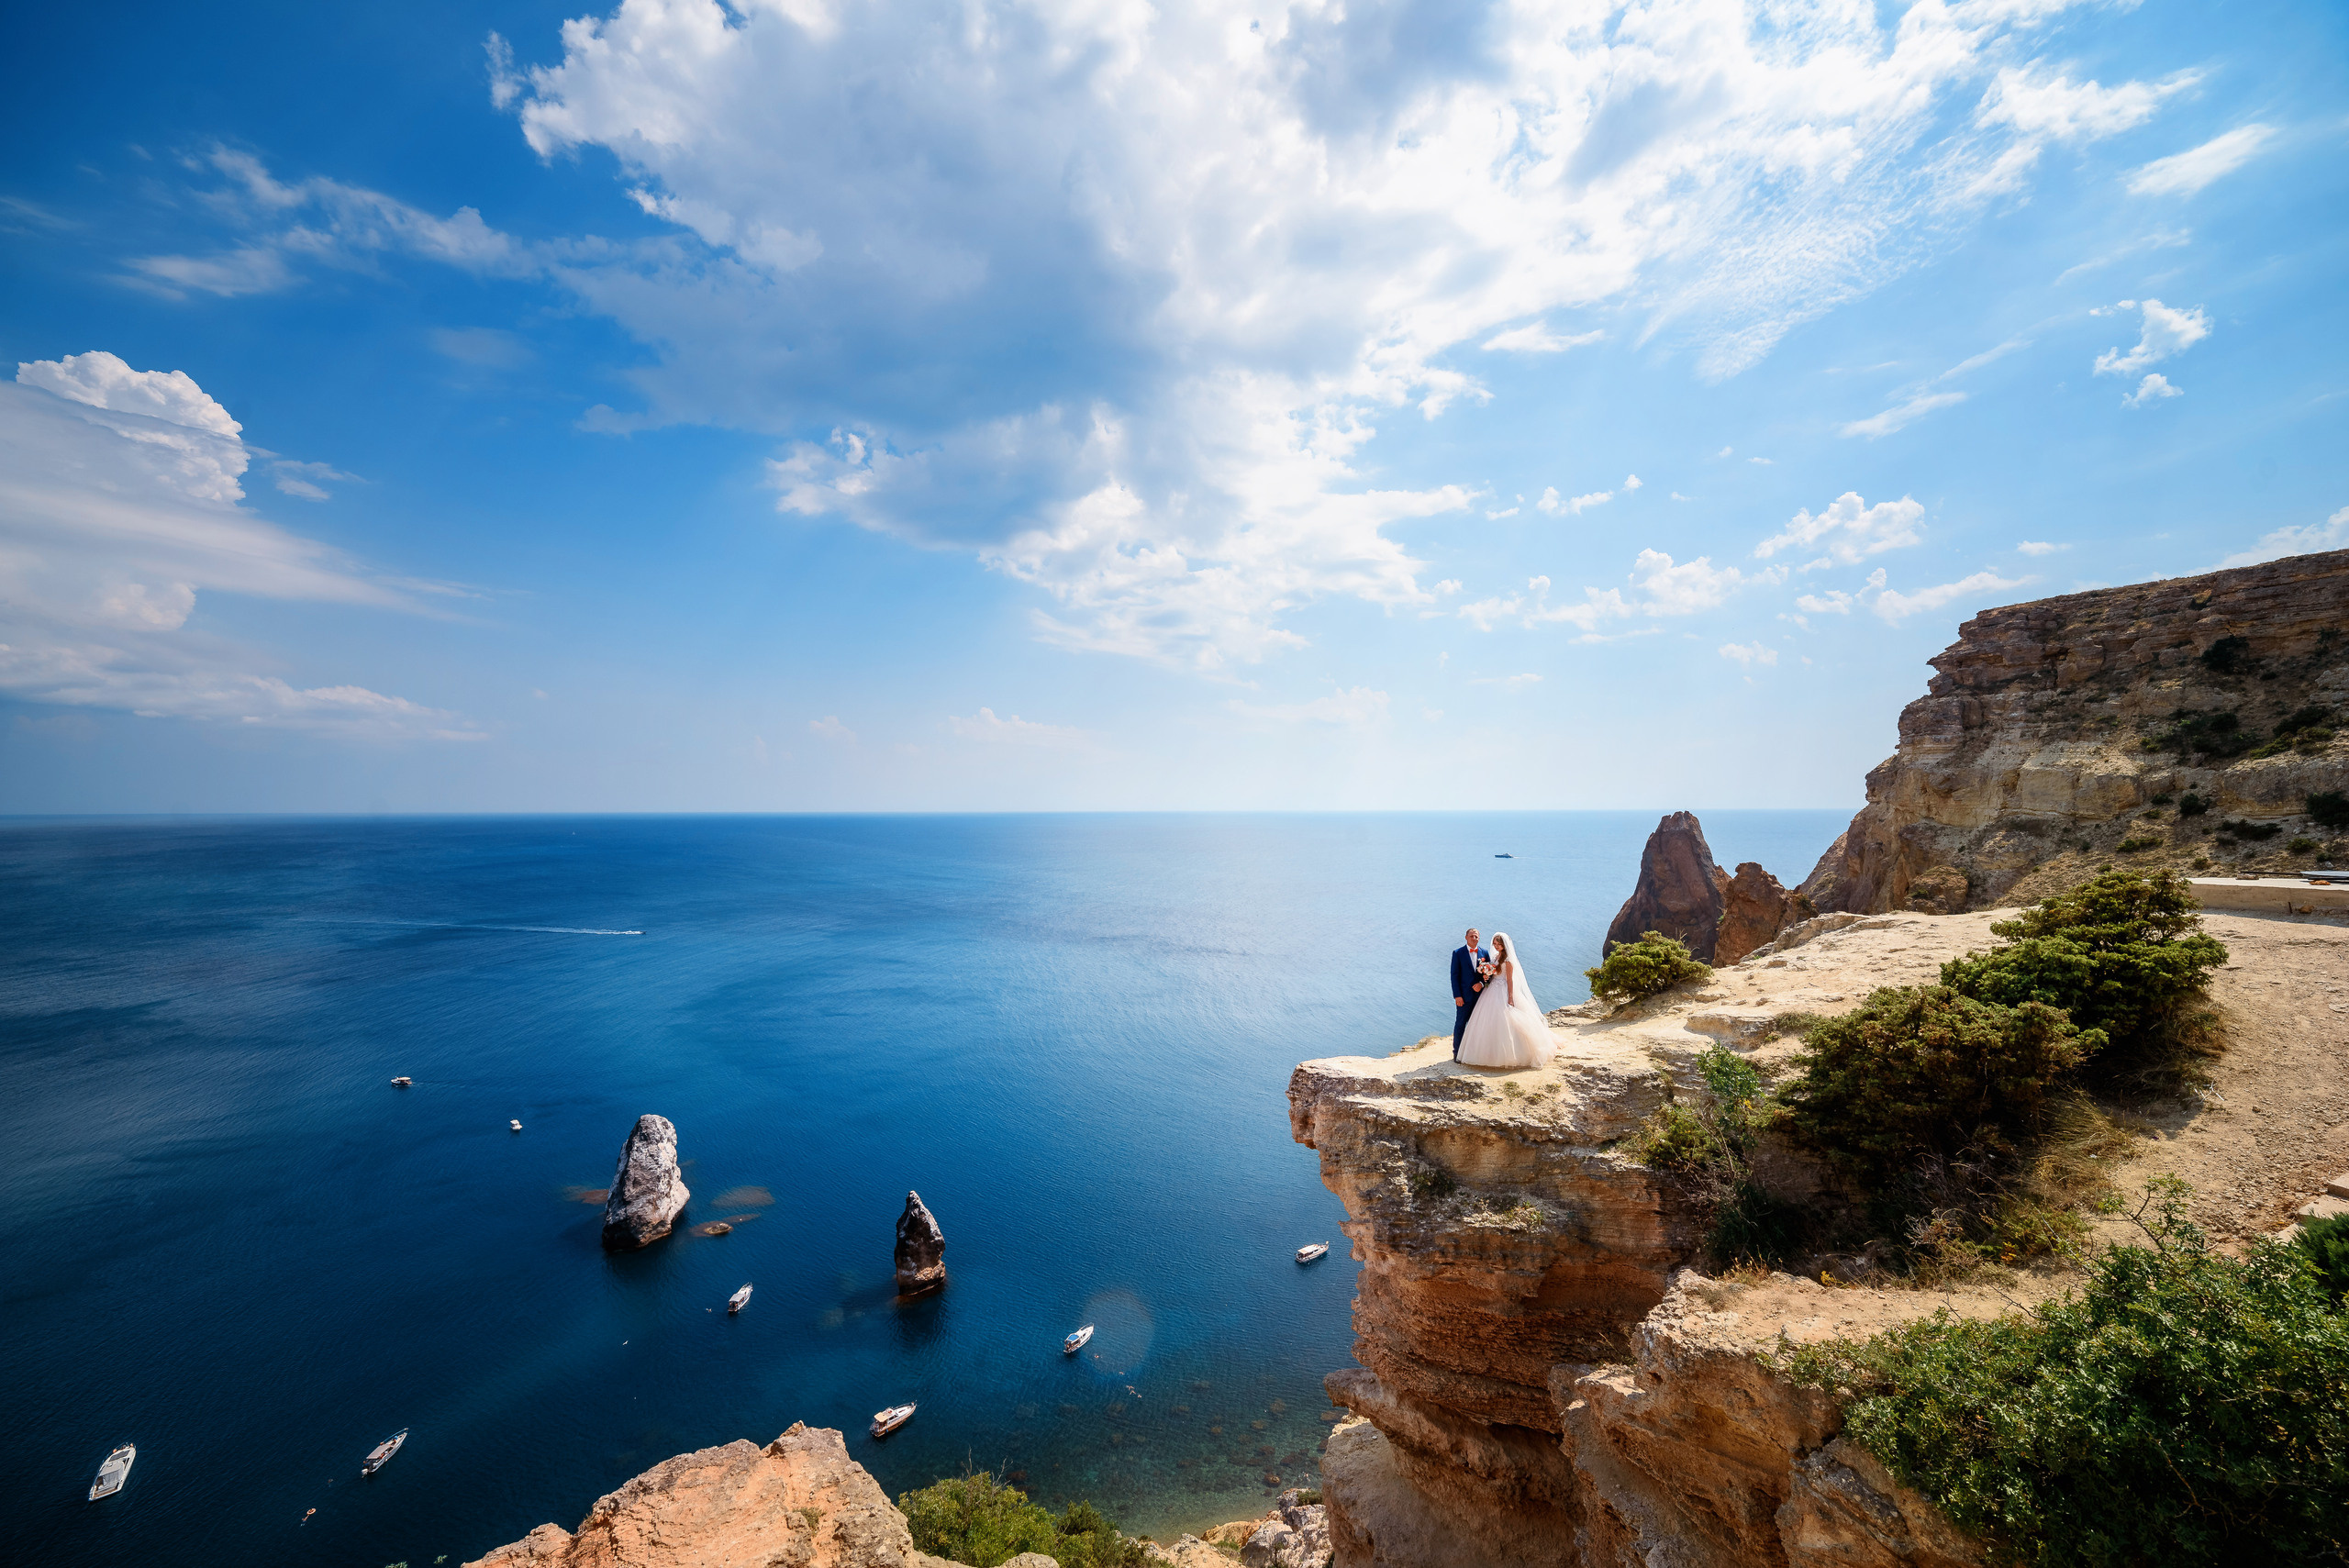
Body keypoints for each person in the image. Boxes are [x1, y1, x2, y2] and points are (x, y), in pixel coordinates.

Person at [1456, 931, 1553, 1069]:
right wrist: (1486, 975)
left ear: (1504, 945)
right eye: (1495, 944)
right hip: (1490, 991)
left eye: (1499, 944)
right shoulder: (1495, 956)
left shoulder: (1508, 960)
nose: (1496, 946)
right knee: (1486, 1021)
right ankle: (1487, 1053)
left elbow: (1509, 980)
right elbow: (1492, 974)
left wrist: (1510, 997)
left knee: (1505, 1022)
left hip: (1502, 990)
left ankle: (1509, 1054)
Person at [1450, 926, 1490, 1060]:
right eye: (1471, 936)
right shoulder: (1458, 953)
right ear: (1466, 937)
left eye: (1476, 936)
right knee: (1460, 1024)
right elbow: (1454, 976)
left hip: (1481, 997)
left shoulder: (1484, 953)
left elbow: (1489, 974)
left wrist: (1481, 984)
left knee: (1478, 1025)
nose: (1474, 938)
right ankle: (1457, 1053)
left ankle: (1474, 1053)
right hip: (1464, 997)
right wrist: (1457, 996)